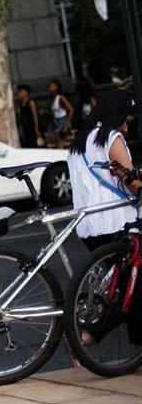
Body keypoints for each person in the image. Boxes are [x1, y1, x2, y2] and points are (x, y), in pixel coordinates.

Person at [66, 90, 142, 346]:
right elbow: (133, 183)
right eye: (126, 119)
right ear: (117, 115)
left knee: (129, 283)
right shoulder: (111, 139)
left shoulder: (78, 143)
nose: (127, 126)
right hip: (119, 223)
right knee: (135, 286)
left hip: (90, 228)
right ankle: (87, 337)